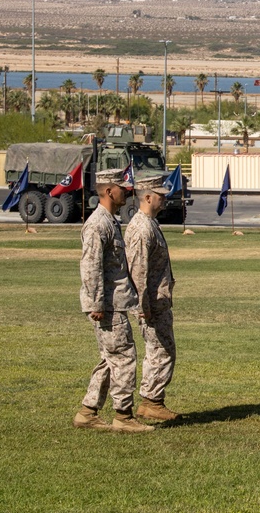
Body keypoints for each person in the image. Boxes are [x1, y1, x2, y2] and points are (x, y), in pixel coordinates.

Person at [74, 168, 152, 433]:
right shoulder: (98, 224)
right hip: (108, 305)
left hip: (114, 302)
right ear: (109, 191)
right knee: (124, 357)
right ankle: (123, 416)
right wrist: (96, 303)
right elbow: (90, 266)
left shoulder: (110, 221)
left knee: (109, 359)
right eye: (122, 187)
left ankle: (88, 412)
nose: (127, 192)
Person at [124, 175, 180, 422]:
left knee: (161, 350)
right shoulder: (142, 227)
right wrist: (143, 306)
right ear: (147, 197)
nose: (164, 199)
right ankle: (151, 401)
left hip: (158, 301)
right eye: (160, 195)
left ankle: (153, 399)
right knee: (161, 350)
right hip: (152, 304)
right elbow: (138, 271)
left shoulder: (150, 224)